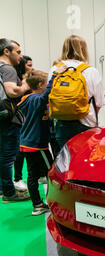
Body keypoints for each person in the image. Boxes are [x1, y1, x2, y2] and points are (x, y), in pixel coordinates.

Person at [18, 67, 65, 215]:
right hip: (37, 145)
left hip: (28, 144)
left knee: (32, 175)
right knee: (50, 172)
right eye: (46, 83)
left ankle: (37, 204)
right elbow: (44, 97)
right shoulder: (35, 99)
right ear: (40, 85)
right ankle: (53, 202)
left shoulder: (29, 100)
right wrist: (55, 75)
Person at [49, 35, 105, 149]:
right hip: (86, 123)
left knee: (65, 160)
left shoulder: (55, 69)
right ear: (84, 49)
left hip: (61, 124)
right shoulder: (91, 71)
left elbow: (49, 96)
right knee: (84, 160)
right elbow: (99, 102)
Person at [0, 38, 31, 202]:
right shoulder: (8, 69)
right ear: (7, 51)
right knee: (7, 157)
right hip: (8, 117)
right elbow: (12, 92)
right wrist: (26, 85)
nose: (20, 56)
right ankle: (8, 193)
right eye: (18, 52)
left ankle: (3, 188)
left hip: (2, 116)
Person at [13, 55, 34, 192]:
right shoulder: (17, 81)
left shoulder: (30, 79)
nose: (31, 68)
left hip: (30, 118)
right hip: (18, 118)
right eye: (29, 65)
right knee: (19, 150)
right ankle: (17, 178)